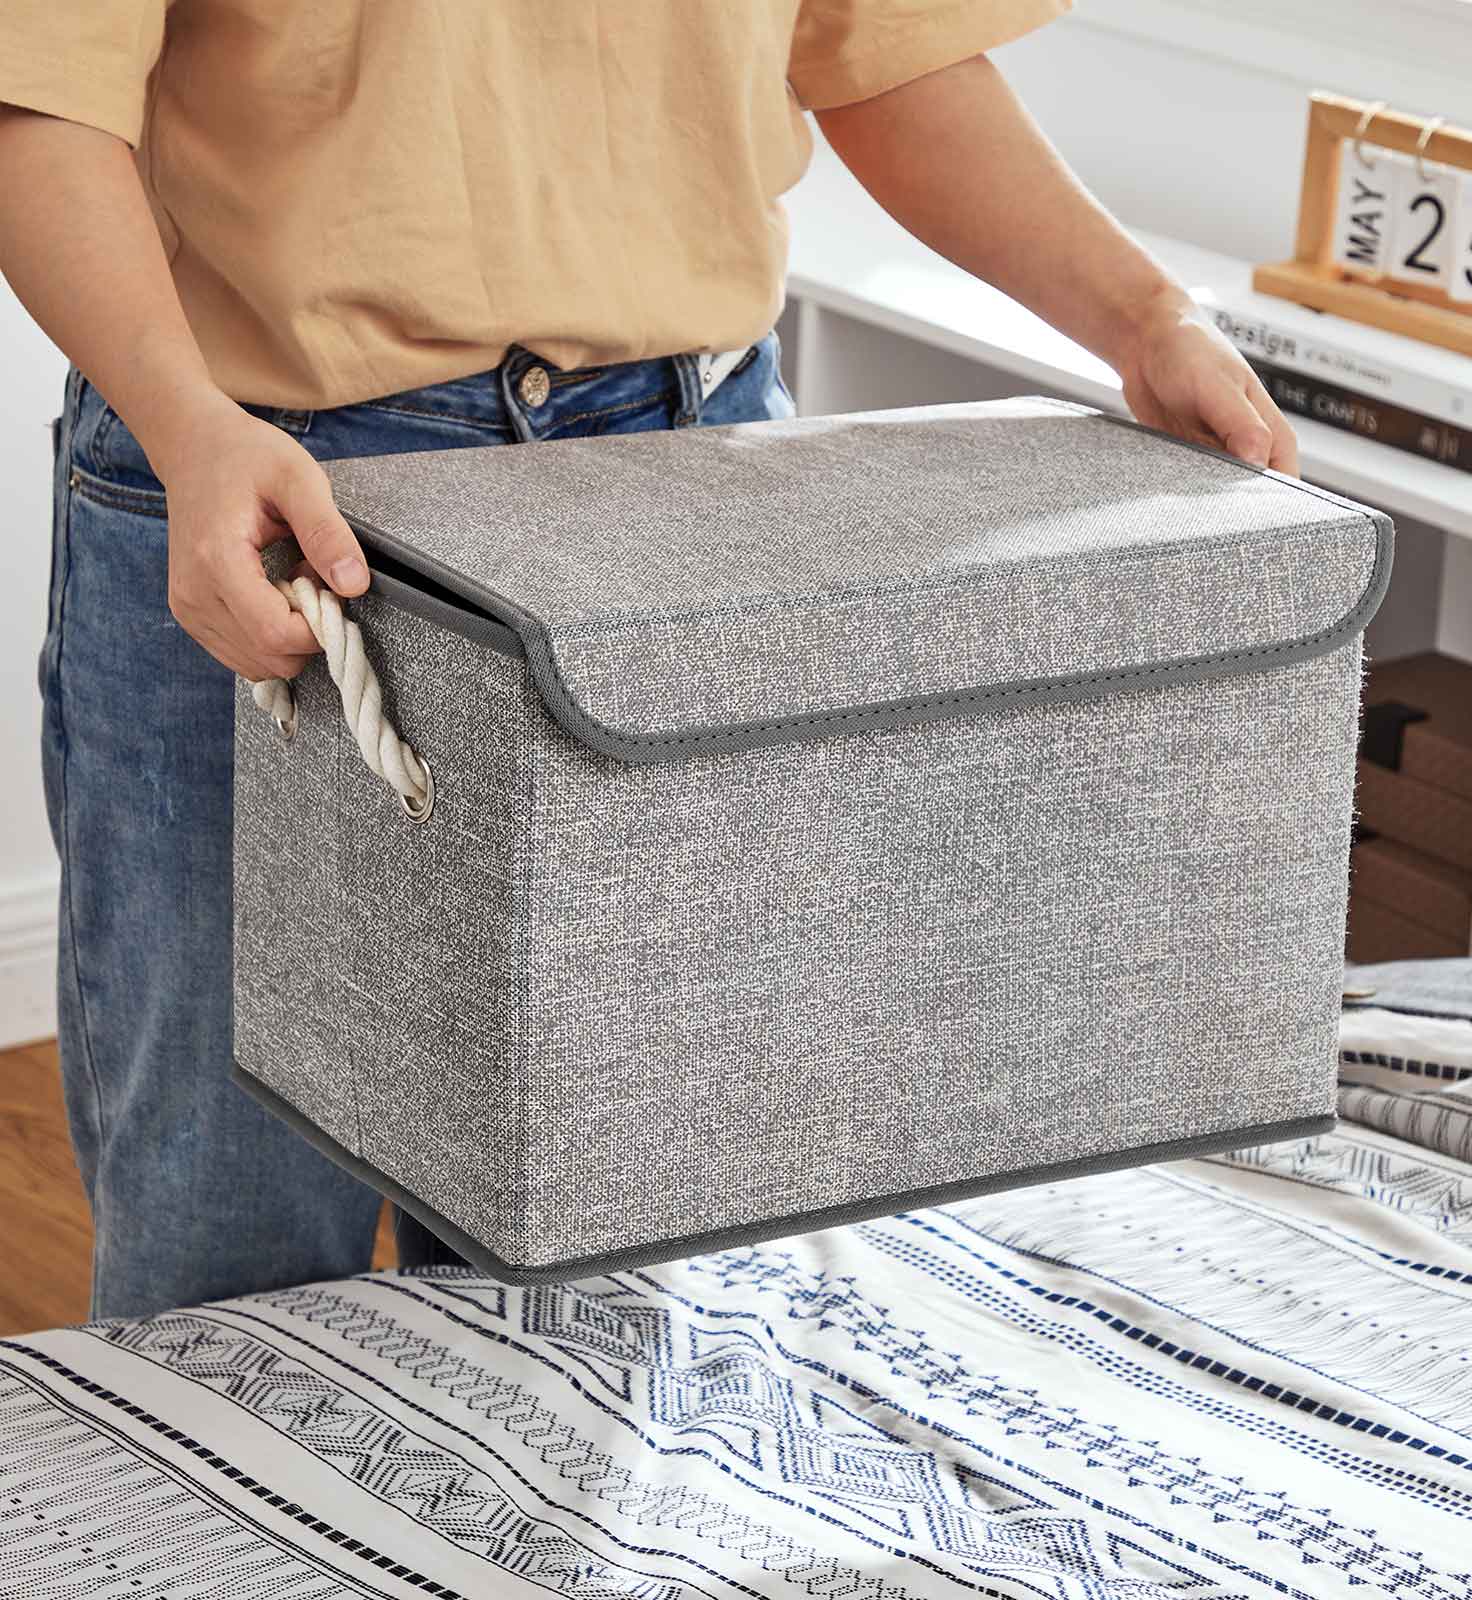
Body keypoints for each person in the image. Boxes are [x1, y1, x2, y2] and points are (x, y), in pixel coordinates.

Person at [0, 2, 1298, 1322]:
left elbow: (881, 48)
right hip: (273, 479)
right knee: (233, 1233)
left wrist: (1143, 317)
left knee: (610, 1254)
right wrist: (183, 424)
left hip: (686, 481)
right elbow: (34, 91)